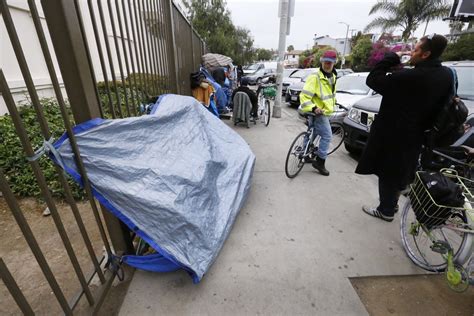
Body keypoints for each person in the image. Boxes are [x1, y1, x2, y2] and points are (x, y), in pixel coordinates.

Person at [356, 34, 453, 222]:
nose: (412, 52)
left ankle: (385, 210)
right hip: (418, 134)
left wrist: (392, 57)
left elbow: (374, 79)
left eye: (416, 50)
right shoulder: (446, 75)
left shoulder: (410, 77)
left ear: (426, 55)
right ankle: (392, 204)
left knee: (387, 172)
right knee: (402, 172)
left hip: (393, 134)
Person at [299, 50, 338, 176]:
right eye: (326, 62)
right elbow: (304, 96)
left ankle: (304, 154)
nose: (327, 65)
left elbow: (330, 94)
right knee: (327, 136)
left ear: (334, 63)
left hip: (324, 111)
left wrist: (334, 103)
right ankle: (320, 162)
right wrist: (314, 108)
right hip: (318, 112)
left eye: (330, 63)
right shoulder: (315, 77)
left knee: (313, 133)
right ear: (321, 61)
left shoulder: (333, 76)